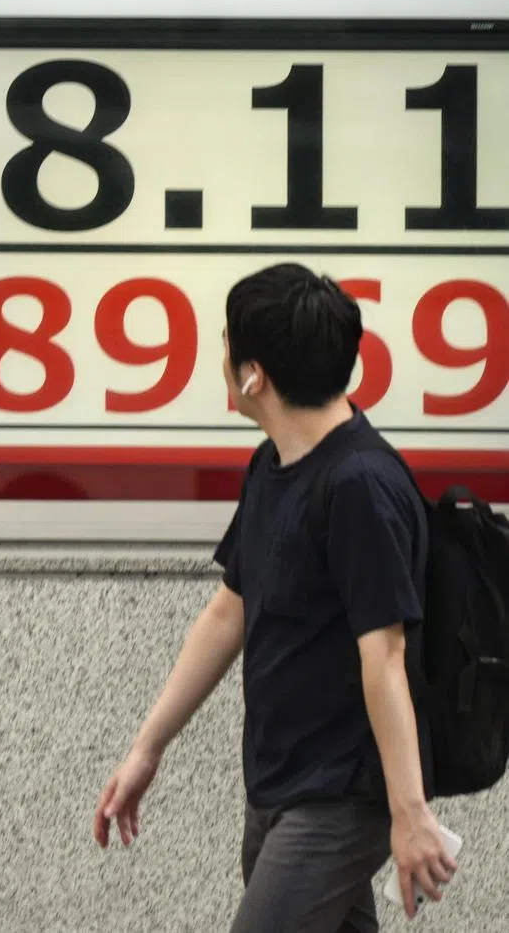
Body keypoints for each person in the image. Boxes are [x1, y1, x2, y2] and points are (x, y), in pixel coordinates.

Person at [93, 263, 458, 932]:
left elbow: (386, 656)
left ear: (252, 375)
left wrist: (408, 814)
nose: (220, 356)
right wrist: (149, 746)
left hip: (343, 795)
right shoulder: (275, 465)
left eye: (226, 343)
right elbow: (229, 610)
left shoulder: (360, 488)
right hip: (279, 779)